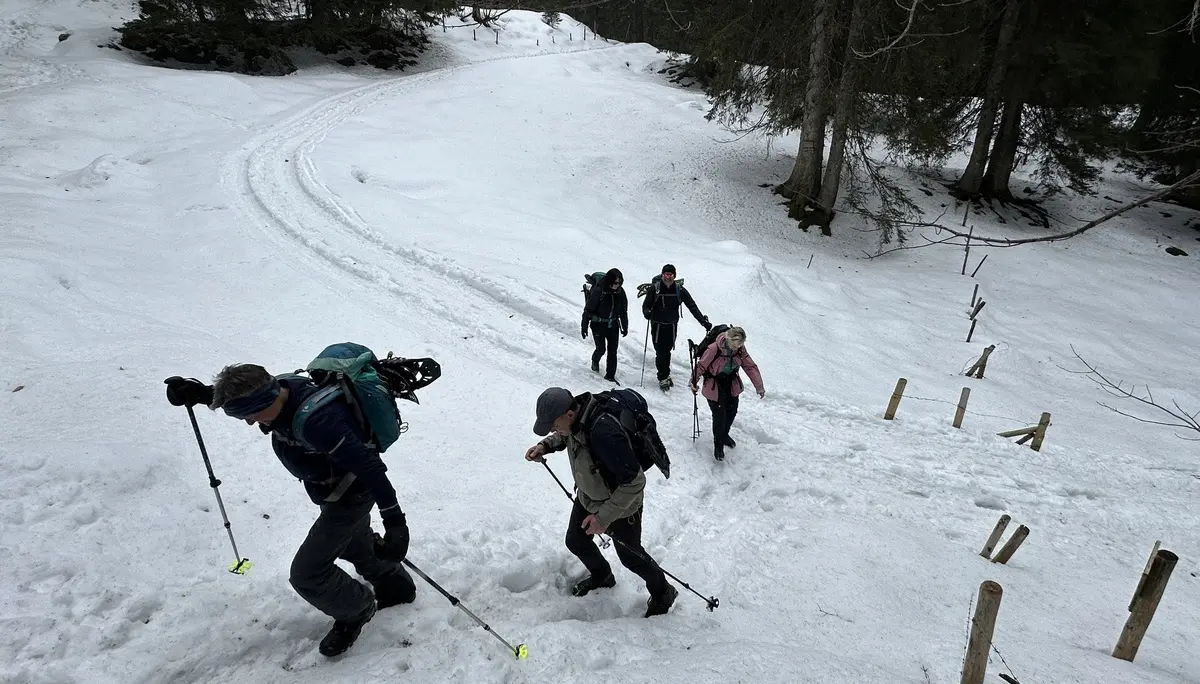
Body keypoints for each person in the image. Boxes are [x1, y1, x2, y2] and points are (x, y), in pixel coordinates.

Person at [164, 365, 415, 658]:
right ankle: (394, 585)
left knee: (308, 574)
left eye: (250, 415)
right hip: (335, 492)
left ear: (265, 402)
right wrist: (203, 394)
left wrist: (396, 523)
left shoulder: (318, 422)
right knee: (353, 542)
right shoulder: (282, 387)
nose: (248, 423)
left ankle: (356, 609)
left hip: (350, 496)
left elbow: (371, 468)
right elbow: (251, 396)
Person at [524, 387, 678, 617]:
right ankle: (602, 575)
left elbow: (635, 482)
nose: (554, 429)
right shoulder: (576, 416)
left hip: (621, 507)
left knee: (631, 557)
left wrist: (603, 519)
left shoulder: (604, 432)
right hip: (589, 495)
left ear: (568, 413)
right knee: (576, 541)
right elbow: (566, 434)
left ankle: (663, 592)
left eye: (554, 424)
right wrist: (545, 446)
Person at [688, 326, 765, 461]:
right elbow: (701, 366)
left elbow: (750, 366)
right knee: (719, 416)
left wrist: (759, 386)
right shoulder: (714, 348)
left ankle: (724, 435)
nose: (738, 348)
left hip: (731, 383)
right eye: (736, 344)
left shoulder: (740, 349)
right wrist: (693, 382)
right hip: (714, 384)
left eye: (740, 344)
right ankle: (718, 445)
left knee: (732, 412)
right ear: (729, 339)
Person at [641, 264, 710, 392]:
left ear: (674, 276)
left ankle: (665, 374)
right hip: (657, 326)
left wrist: (703, 322)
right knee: (660, 352)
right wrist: (647, 313)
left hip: (672, 327)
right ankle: (662, 377)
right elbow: (646, 305)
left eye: (670, 274)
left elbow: (692, 306)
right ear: (662, 275)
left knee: (667, 351)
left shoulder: (679, 290)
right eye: (666, 274)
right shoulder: (654, 289)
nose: (668, 277)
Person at [582, 268, 629, 382]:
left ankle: (610, 376)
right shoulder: (599, 291)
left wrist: (625, 326)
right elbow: (588, 310)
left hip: (613, 325)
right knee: (601, 349)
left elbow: (623, 311)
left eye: (619, 283)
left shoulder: (620, 292)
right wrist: (584, 326)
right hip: (598, 324)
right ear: (609, 281)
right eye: (614, 283)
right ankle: (595, 360)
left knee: (613, 351)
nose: (616, 285)